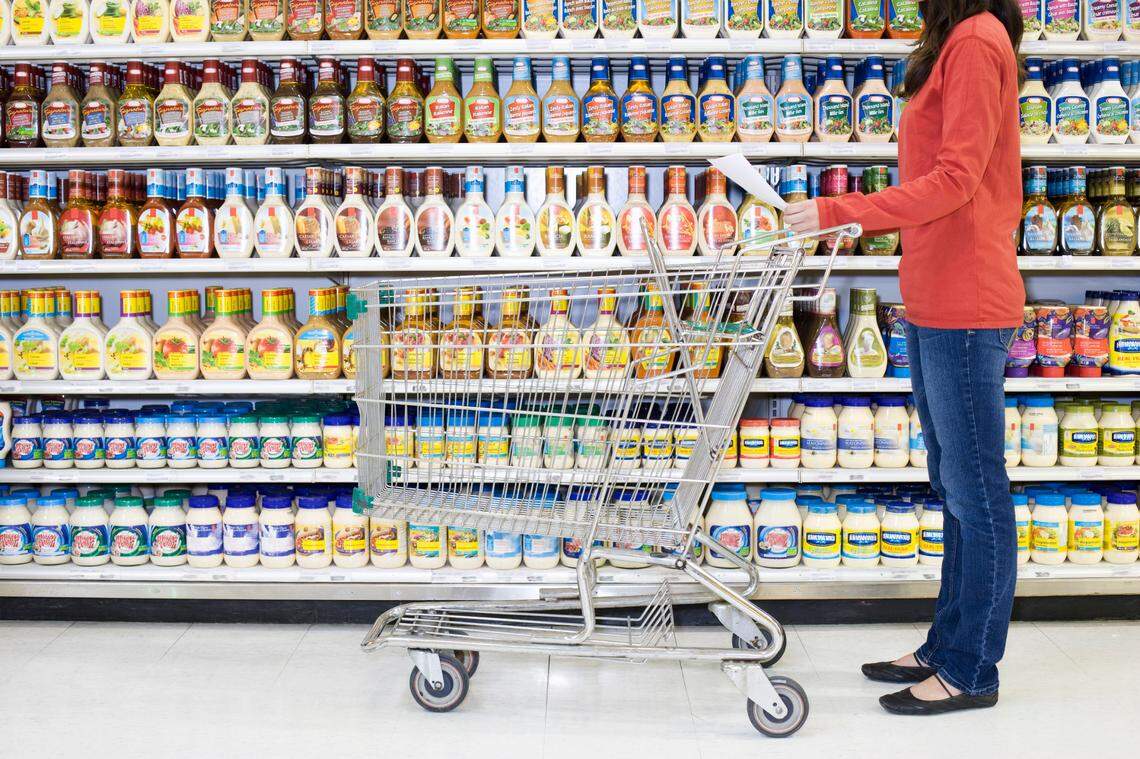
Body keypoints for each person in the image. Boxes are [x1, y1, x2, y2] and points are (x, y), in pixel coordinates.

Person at [783, 0, 1026, 716]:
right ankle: (946, 645)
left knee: (976, 491)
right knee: (954, 483)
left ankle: (972, 668)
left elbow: (956, 179)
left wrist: (839, 212)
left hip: (967, 301)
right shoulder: (953, 38)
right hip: (933, 296)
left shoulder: (976, 39)